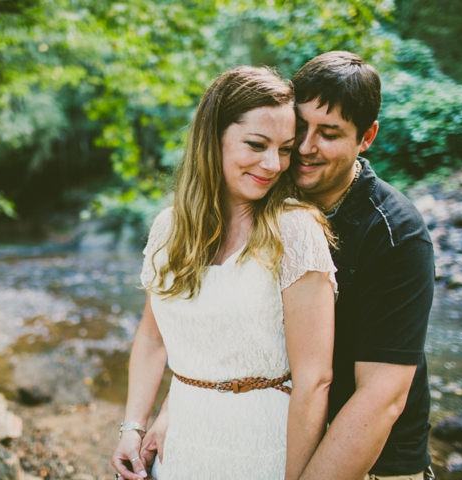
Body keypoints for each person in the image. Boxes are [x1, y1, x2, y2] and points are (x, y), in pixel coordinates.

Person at [140, 52, 436, 480]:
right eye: (300, 129)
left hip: (370, 460)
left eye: (330, 133)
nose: (305, 148)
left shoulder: (395, 234)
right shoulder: (265, 197)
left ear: (367, 136)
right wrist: (179, 407)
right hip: (282, 438)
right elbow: (224, 328)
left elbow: (382, 398)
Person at [110, 66, 338, 480]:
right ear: (212, 138)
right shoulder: (168, 229)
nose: (273, 164)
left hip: (264, 450)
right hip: (179, 448)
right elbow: (151, 336)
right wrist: (133, 427)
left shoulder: (296, 230)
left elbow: (315, 380)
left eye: (285, 149)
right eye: (256, 144)